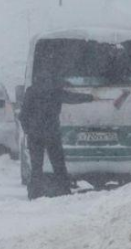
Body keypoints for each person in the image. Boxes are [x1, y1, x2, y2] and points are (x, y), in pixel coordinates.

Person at [18, 71, 96, 200]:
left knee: (36, 165)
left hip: (35, 134)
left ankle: (34, 193)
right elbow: (73, 98)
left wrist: (28, 130)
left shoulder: (31, 91)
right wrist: (91, 97)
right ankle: (64, 190)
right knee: (58, 164)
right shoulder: (55, 91)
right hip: (51, 133)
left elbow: (23, 114)